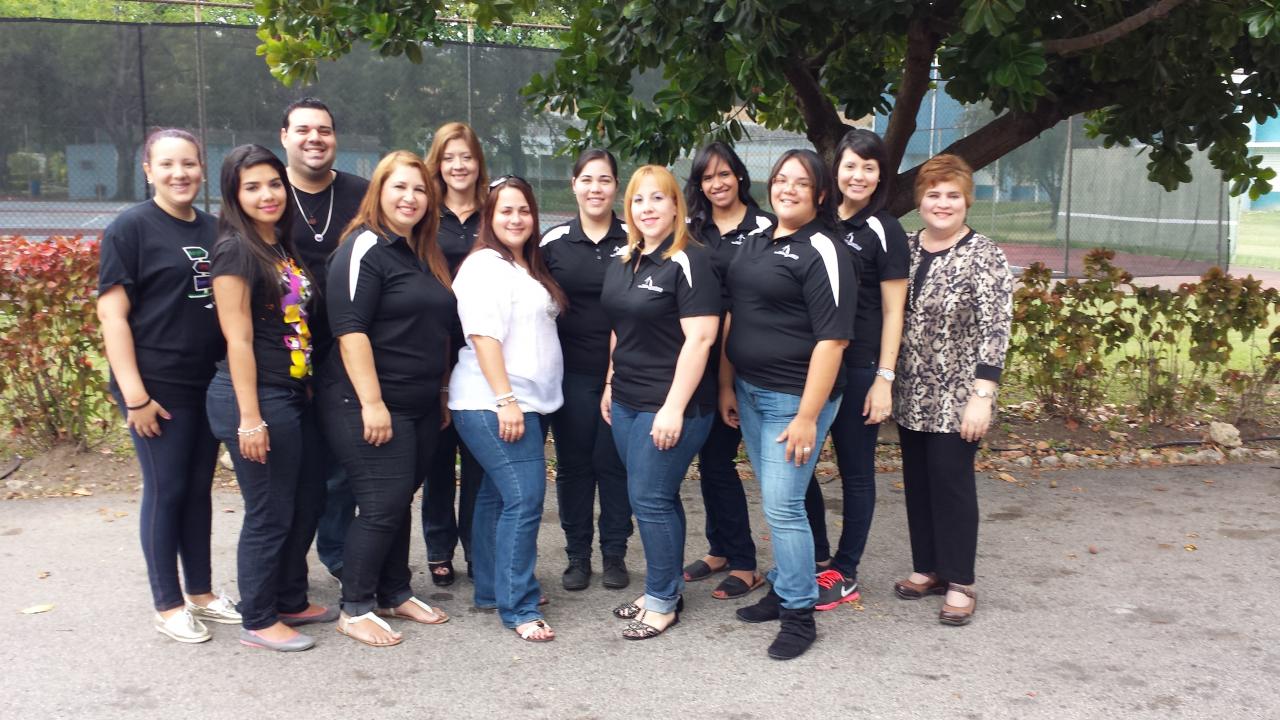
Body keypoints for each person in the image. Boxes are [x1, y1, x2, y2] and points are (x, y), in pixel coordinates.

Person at [97, 128, 240, 643]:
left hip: (208, 382)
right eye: (167, 164)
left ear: (202, 168)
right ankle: (168, 603)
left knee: (198, 489)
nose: (180, 173)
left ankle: (200, 592)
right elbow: (113, 316)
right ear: (148, 171)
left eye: (189, 163)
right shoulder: (130, 228)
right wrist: (134, 396)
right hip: (157, 387)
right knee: (167, 489)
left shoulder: (216, 228)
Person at [723, 149, 856, 660]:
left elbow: (833, 341)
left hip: (794, 401)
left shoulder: (824, 250)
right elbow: (737, 314)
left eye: (801, 183)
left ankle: (799, 615)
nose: (788, 189)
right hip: (750, 392)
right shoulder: (757, 239)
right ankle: (784, 589)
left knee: (783, 506)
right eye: (781, 179)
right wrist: (727, 386)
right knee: (780, 502)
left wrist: (806, 416)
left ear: (820, 194)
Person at [319, 151, 454, 647]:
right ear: (379, 191)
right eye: (400, 187)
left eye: (420, 190)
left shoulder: (420, 252)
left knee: (399, 500)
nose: (410, 198)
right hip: (367, 402)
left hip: (420, 403)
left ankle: (394, 591)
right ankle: (355, 606)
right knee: (381, 504)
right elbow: (349, 330)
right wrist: (372, 403)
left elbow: (433, 329)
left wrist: (440, 392)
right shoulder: (364, 246)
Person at [206, 144, 335, 652]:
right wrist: (250, 417)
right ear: (234, 195)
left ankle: (289, 598)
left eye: (274, 183)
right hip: (255, 398)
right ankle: (258, 618)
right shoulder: (235, 250)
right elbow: (237, 338)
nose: (267, 194)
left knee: (308, 498)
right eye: (253, 186)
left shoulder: (279, 246)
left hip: (290, 394)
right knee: (270, 510)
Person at [601, 165, 721, 640]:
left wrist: (673, 408)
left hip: (672, 404)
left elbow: (702, 338)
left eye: (657, 198)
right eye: (638, 199)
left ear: (676, 206)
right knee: (655, 497)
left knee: (649, 498)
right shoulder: (625, 258)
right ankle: (664, 587)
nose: (647, 208)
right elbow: (620, 327)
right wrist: (610, 382)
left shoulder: (690, 260)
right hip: (626, 399)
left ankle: (662, 601)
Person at [892, 154, 1012, 626]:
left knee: (951, 482)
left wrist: (983, 396)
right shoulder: (905, 248)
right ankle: (928, 568)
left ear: (967, 201)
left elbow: (995, 328)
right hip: (911, 392)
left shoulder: (984, 254)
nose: (942, 203)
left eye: (952, 195)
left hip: (958, 396)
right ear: (919, 200)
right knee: (918, 481)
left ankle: (960, 579)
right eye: (933, 194)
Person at [450, 176, 567, 642]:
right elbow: (483, 336)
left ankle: (492, 589)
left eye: (524, 210)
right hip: (494, 402)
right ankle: (518, 607)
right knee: (524, 498)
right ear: (489, 217)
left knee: (496, 497)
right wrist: (506, 400)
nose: (516, 219)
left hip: (525, 401)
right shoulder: (485, 266)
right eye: (505, 211)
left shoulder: (521, 265)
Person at [803, 129, 910, 611]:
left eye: (869, 167)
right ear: (836, 169)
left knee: (856, 472)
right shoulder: (818, 220)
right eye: (850, 165)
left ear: (881, 175)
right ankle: (816, 556)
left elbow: (893, 311)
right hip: (814, 367)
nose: (858, 175)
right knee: (799, 467)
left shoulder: (885, 230)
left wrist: (884, 379)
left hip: (862, 367)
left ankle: (845, 572)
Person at [279, 97, 370, 581]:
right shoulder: (268, 191)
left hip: (345, 352)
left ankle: (336, 555)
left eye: (324, 130)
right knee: (293, 471)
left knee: (342, 469)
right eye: (303, 130)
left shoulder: (361, 194)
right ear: (285, 137)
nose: (314, 138)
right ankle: (285, 571)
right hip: (281, 358)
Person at [680, 142, 775, 600]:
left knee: (734, 462)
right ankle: (720, 549)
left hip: (748, 359)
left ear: (739, 175)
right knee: (711, 460)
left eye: (724, 174)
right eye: (707, 177)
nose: (716, 183)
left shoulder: (765, 227)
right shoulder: (691, 230)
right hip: (700, 356)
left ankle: (745, 563)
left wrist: (726, 381)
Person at [541, 149, 633, 591]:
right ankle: (577, 556)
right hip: (571, 374)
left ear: (616, 186)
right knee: (575, 466)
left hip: (627, 375)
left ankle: (615, 554)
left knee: (614, 465)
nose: (596, 188)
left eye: (605, 180)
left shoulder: (635, 237)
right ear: (574, 184)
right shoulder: (553, 242)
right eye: (587, 180)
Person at [421, 121, 489, 586]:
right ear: (438, 164)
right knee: (439, 457)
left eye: (466, 156)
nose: (458, 165)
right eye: (449, 157)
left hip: (484, 349)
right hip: (435, 346)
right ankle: (438, 547)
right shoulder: (426, 214)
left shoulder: (492, 213)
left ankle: (478, 549)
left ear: (478, 162)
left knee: (480, 462)